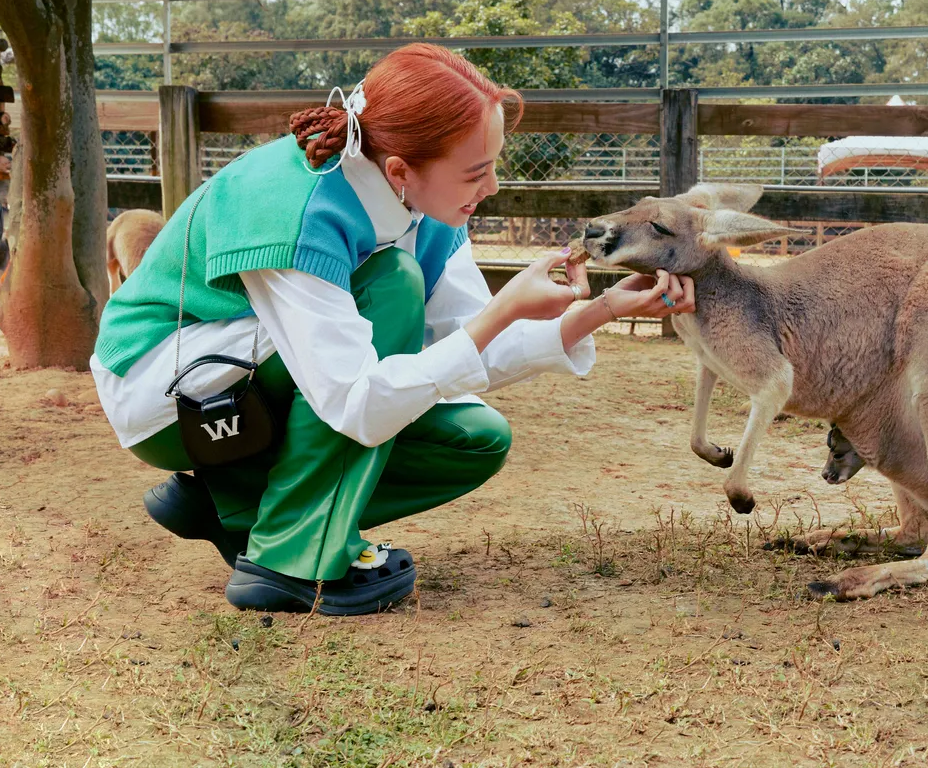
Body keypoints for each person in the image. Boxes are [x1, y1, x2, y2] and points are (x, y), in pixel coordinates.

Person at [91, 44, 694, 616]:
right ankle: (288, 563)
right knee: (392, 284)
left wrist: (600, 311)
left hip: (256, 385)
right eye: (476, 172)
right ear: (402, 169)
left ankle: (235, 507)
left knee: (474, 437)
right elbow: (358, 404)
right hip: (173, 398)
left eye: (495, 166)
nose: (493, 188)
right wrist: (499, 310)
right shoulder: (295, 206)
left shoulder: (426, 206)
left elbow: (466, 344)